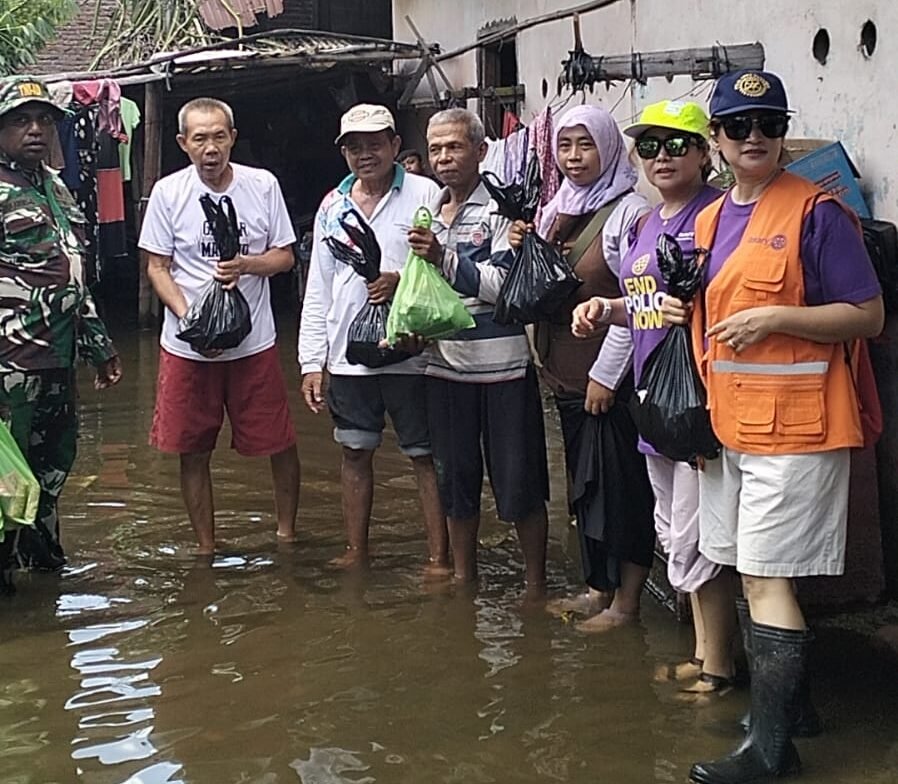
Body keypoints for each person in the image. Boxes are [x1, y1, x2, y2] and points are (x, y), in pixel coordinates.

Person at [659, 70, 884, 783]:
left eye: (768, 125)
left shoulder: (817, 214)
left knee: (763, 578)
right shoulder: (710, 218)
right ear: (717, 141)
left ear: (783, 134)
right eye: (738, 126)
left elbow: (867, 315)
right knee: (748, 570)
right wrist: (675, 313)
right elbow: (706, 310)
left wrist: (779, 317)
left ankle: (770, 750)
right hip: (727, 430)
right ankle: (793, 714)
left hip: (799, 430)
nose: (754, 137)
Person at [573, 100, 736, 693]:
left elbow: (731, 299)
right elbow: (641, 302)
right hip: (653, 399)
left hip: (698, 401)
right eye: (650, 146)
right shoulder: (645, 223)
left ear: (703, 152)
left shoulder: (717, 216)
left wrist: (693, 310)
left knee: (696, 536)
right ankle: (705, 652)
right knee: (672, 530)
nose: (662, 157)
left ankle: (716, 666)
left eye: (677, 144)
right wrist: (607, 308)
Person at [509, 104, 654, 631]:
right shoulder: (556, 208)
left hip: (607, 380)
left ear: (609, 149)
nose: (574, 157)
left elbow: (634, 298)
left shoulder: (630, 212)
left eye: (585, 145)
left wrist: (606, 376)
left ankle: (628, 602)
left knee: (621, 488)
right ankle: (598, 587)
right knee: (586, 486)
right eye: (565, 146)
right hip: (564, 375)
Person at [140, 97, 300, 555]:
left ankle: (287, 535)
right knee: (193, 447)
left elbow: (286, 256)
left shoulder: (261, 185)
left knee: (279, 440)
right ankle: (207, 548)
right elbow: (157, 267)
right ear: (183, 144)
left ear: (232, 137)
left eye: (218, 136)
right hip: (188, 346)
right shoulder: (169, 193)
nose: (210, 148)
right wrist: (192, 319)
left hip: (254, 343)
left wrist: (248, 264)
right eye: (199, 139)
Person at [403, 108, 550, 596]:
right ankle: (464, 581)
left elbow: (505, 288)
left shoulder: (503, 212)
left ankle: (533, 587)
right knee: (456, 483)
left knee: (520, 482)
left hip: (504, 370)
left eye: (455, 147)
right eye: (436, 148)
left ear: (481, 151)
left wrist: (443, 257)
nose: (443, 158)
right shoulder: (431, 211)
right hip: (444, 369)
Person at [298, 103, 448, 572]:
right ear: (344, 152)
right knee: (354, 451)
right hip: (348, 355)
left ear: (395, 146)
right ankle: (356, 552)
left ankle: (440, 558)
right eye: (354, 146)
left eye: (375, 144)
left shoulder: (426, 193)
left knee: (425, 456)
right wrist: (310, 361)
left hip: (411, 352)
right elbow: (319, 285)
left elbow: (445, 265)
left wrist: (400, 279)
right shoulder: (332, 205)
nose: (365, 154)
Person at [0, 76, 122, 576]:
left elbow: (72, 273)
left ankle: (44, 571)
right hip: (9, 366)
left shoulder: (56, 188)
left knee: (51, 472)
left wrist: (99, 345)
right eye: (20, 121)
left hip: (57, 358)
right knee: (6, 484)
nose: (35, 130)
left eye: (43, 120)